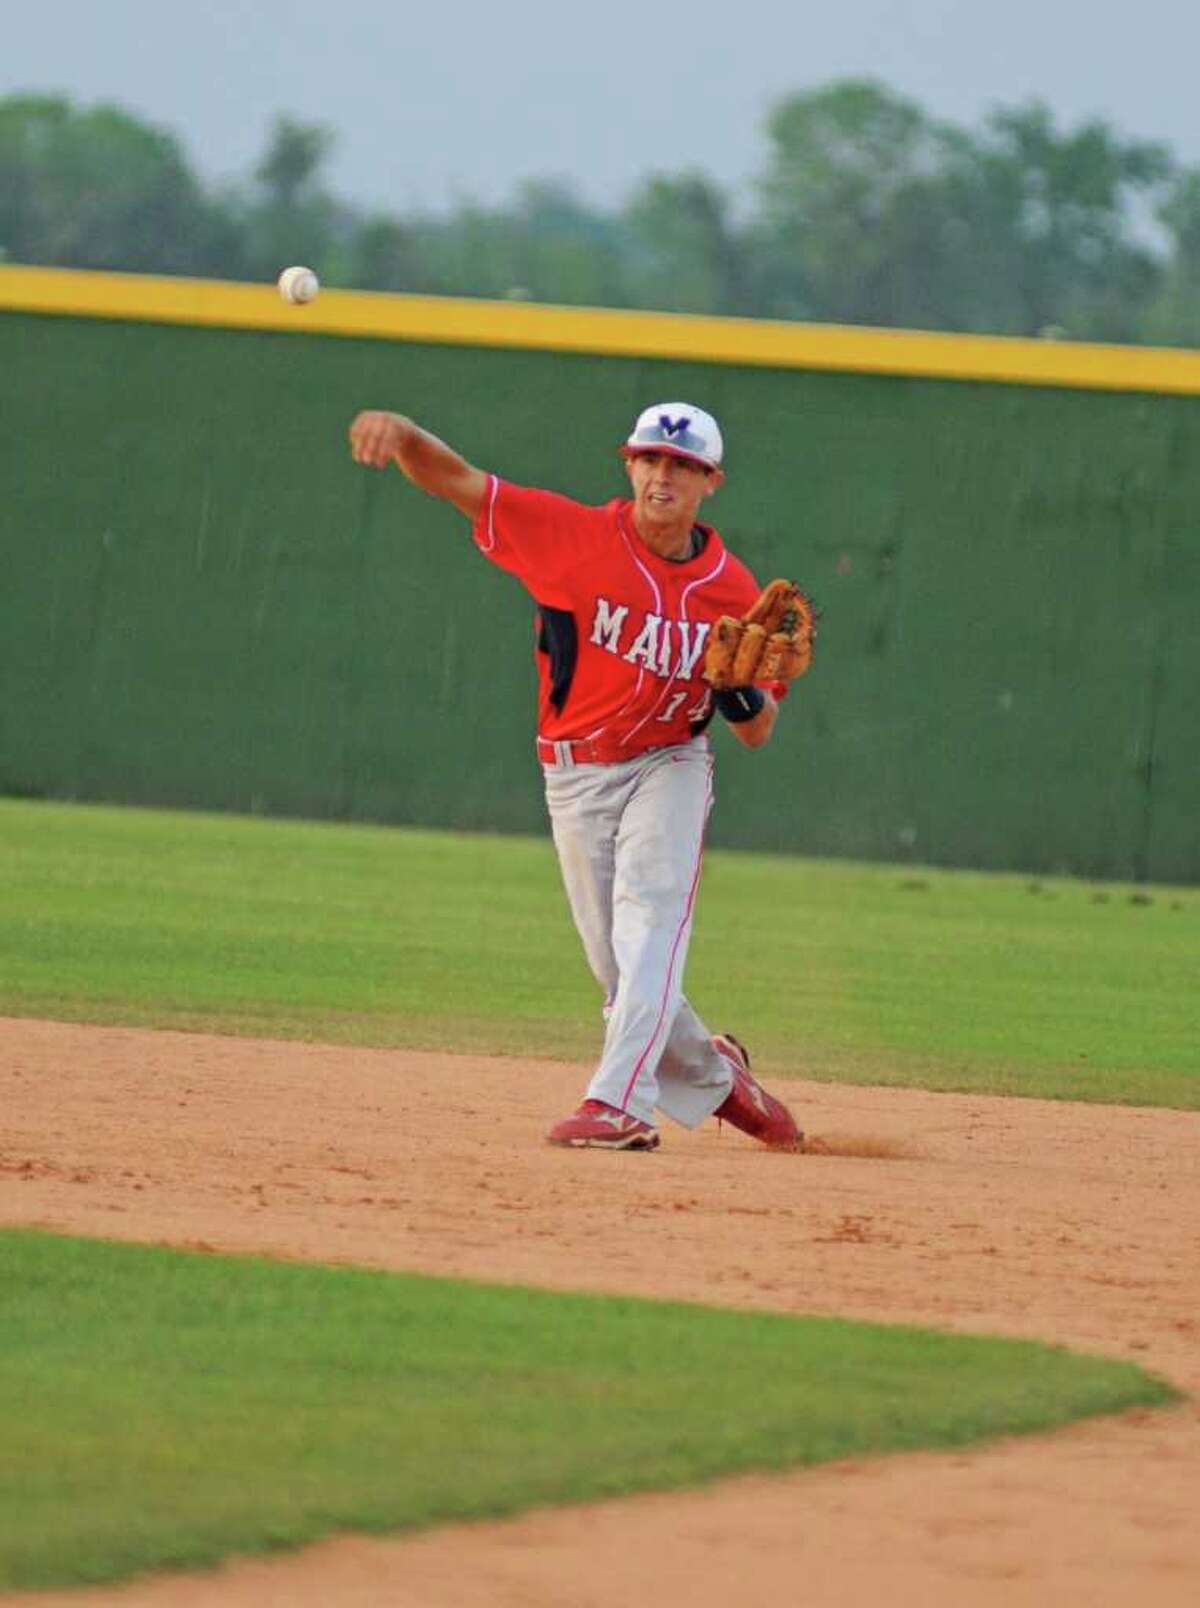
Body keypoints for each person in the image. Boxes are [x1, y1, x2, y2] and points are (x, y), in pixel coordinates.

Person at [349, 400, 803, 1154]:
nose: (664, 475)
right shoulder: (570, 535)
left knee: (650, 923)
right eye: (652, 458)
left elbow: (757, 730)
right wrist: (405, 435)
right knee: (621, 972)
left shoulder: (734, 589)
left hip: (670, 762)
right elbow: (458, 481)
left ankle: (618, 1103)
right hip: (575, 778)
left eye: (683, 466)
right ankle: (727, 1083)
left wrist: (738, 693)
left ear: (711, 482)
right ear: (628, 464)